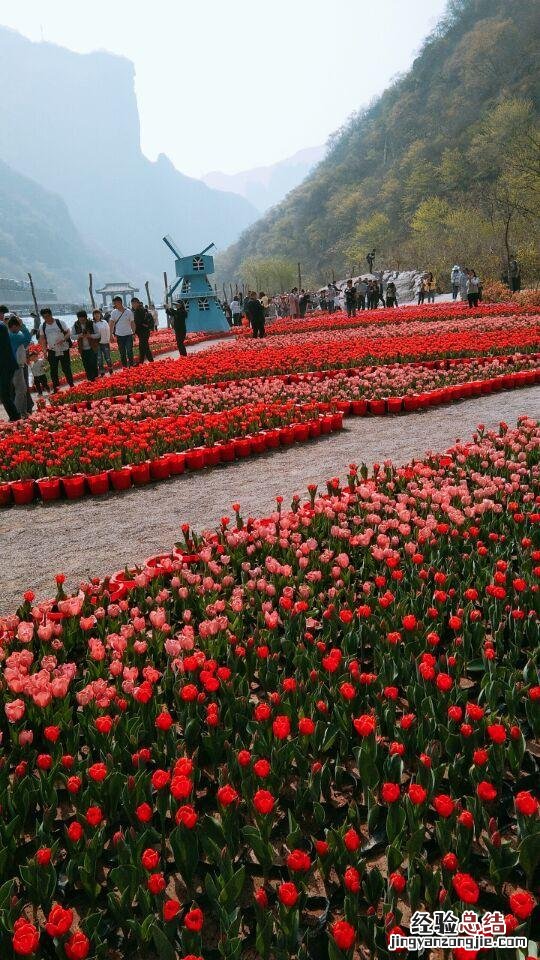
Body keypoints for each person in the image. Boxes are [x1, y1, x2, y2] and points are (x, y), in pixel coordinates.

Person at [39, 307, 74, 391]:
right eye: (44, 317)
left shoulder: (60, 322)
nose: (46, 318)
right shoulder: (42, 326)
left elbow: (69, 332)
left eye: (48, 316)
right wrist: (44, 351)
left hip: (63, 348)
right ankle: (56, 388)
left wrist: (63, 339)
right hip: (52, 350)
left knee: (66, 368)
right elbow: (42, 339)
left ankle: (71, 385)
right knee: (53, 370)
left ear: (51, 315)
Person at [72, 310, 99, 381]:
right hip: (82, 349)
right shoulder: (76, 325)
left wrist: (90, 335)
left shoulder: (91, 323)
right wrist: (80, 335)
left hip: (92, 347)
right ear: (78, 318)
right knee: (86, 364)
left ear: (86, 318)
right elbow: (72, 336)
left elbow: (98, 334)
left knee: (93, 363)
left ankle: (95, 377)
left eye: (83, 319)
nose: (82, 321)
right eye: (80, 319)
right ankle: (90, 379)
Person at [109, 296, 135, 367]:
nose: (114, 305)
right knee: (122, 353)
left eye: (115, 303)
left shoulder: (129, 312)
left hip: (128, 335)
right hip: (119, 336)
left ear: (120, 302)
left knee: (129, 351)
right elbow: (111, 324)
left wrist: (134, 333)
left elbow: (132, 323)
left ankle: (131, 366)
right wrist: (110, 335)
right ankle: (125, 367)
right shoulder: (113, 312)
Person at [131, 297, 154, 364]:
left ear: (137, 303)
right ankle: (141, 362)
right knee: (142, 347)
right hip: (145, 331)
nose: (133, 305)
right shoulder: (141, 309)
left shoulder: (139, 310)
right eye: (132, 304)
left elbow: (137, 322)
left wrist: (133, 332)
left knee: (145, 347)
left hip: (143, 332)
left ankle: (152, 362)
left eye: (134, 303)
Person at [92, 308, 113, 375]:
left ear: (100, 314)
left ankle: (111, 370)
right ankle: (102, 372)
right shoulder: (92, 323)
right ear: (93, 315)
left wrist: (110, 337)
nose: (97, 315)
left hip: (105, 342)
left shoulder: (104, 322)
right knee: (99, 358)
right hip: (97, 343)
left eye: (98, 314)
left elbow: (108, 330)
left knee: (108, 357)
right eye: (95, 314)